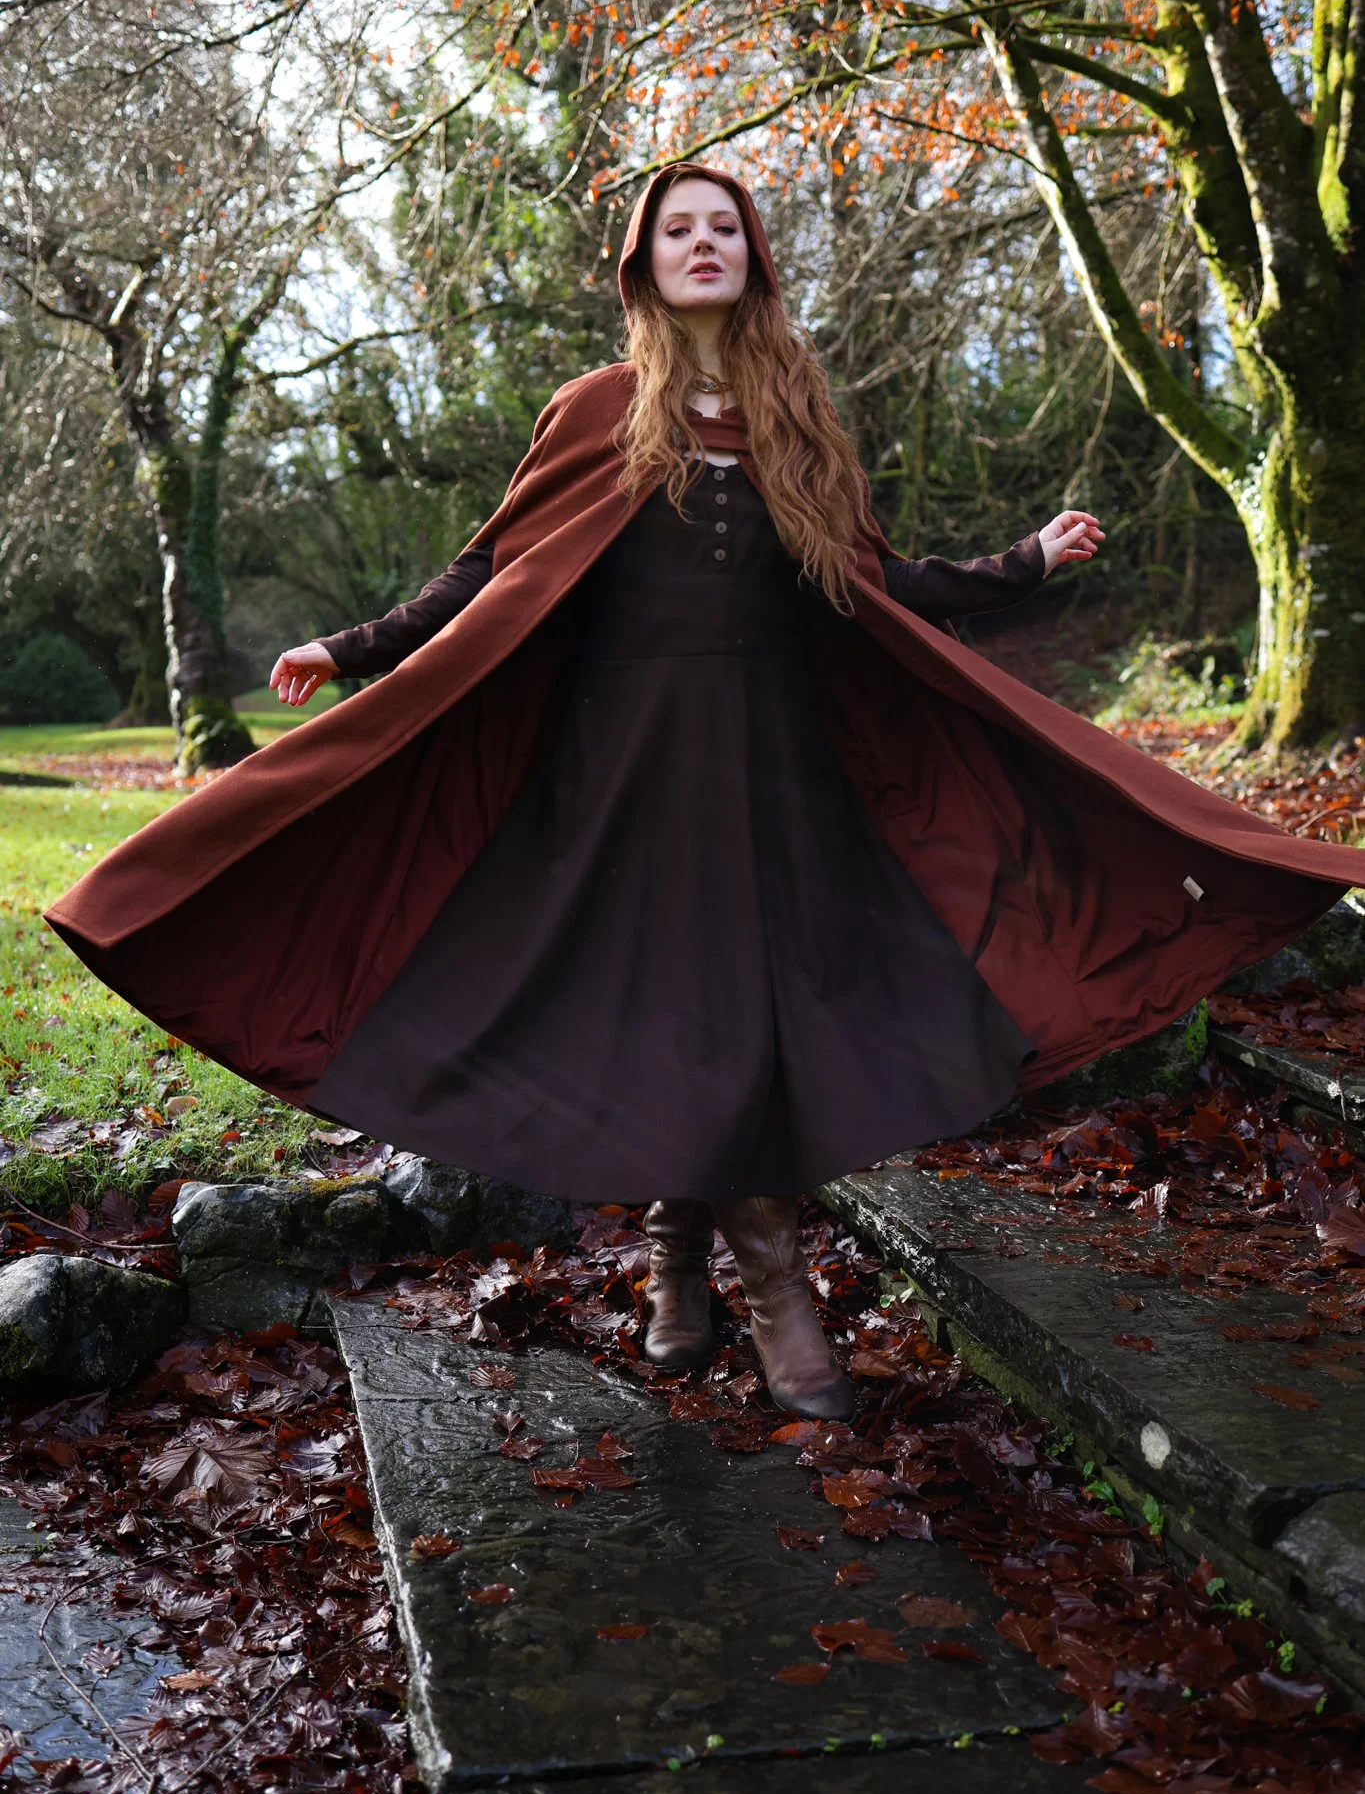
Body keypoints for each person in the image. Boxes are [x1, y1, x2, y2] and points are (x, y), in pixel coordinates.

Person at [46, 164, 1359, 1423]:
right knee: (694, 1015)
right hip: (626, 777)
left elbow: (872, 589)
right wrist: (354, 647)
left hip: (778, 777)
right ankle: (771, 1295)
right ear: (644, 267)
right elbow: (492, 573)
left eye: (723, 227)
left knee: (741, 1023)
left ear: (753, 258)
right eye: (679, 229)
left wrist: (1022, 563)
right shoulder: (597, 410)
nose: (703, 245)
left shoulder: (798, 414)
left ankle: (686, 1259)